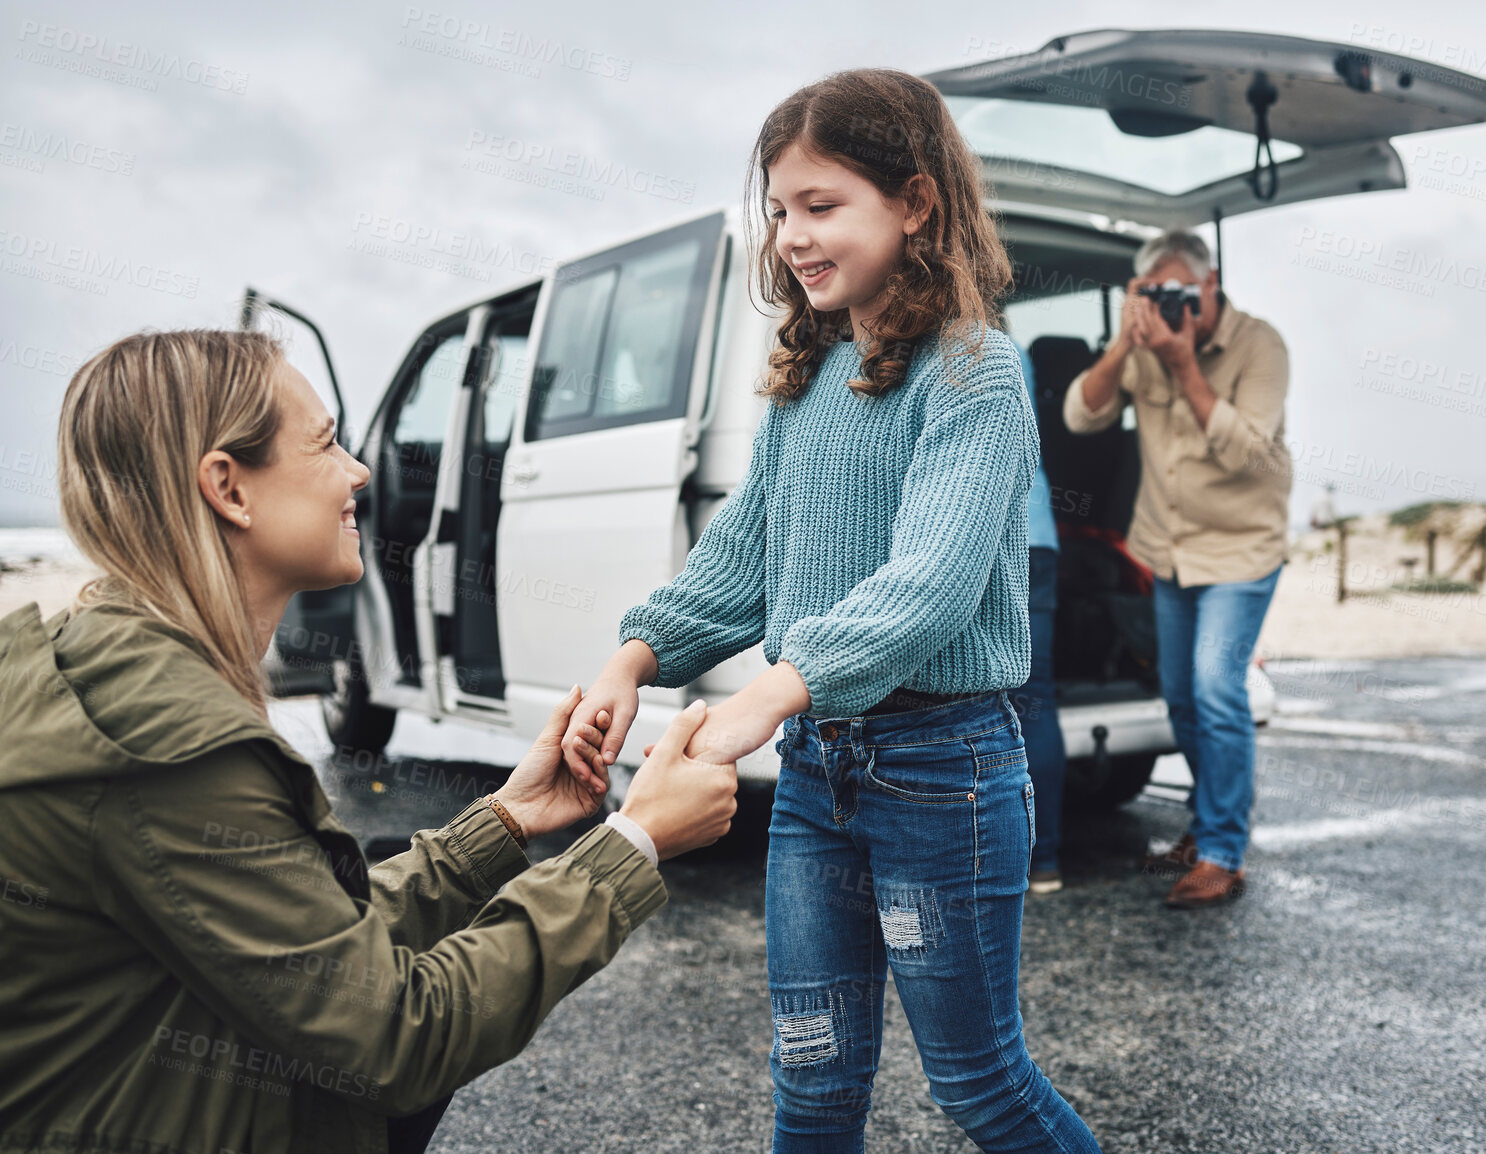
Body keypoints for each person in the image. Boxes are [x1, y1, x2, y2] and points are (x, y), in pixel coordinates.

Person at [0, 330, 739, 1154]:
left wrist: (502, 821)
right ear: (228, 490)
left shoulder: (97, 663)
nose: (358, 471)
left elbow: (309, 948)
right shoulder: (165, 746)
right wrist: (632, 845)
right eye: (324, 444)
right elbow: (394, 1037)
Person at [562, 70, 1101, 1153]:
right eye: (778, 210)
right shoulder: (806, 382)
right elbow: (744, 554)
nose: (794, 235)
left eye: (821, 205)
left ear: (914, 202)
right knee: (809, 1082)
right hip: (817, 776)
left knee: (978, 1082)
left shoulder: (976, 374)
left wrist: (769, 688)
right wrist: (634, 655)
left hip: (944, 773)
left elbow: (931, 580)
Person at [1062, 229, 1292, 910]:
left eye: (1177, 294)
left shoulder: (1260, 346)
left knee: (1219, 691)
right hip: (1166, 549)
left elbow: (1248, 455)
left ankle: (1223, 852)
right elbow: (1080, 416)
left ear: (1209, 287)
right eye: (1152, 293)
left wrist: (1185, 364)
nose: (1166, 305)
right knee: (1182, 697)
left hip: (1240, 551)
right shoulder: (1144, 346)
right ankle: (1207, 827)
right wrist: (1125, 344)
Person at [1011, 340, 1066, 894]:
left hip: (987, 541)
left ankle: (997, 856)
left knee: (975, 706)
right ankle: (1043, 860)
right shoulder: (1015, 350)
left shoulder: (935, 348)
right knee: (1037, 699)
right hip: (1040, 537)